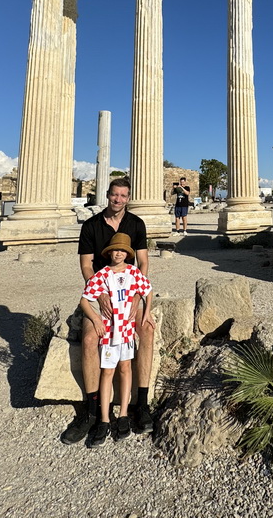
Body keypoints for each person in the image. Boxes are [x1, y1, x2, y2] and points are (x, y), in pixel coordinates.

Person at [60, 177, 156, 445]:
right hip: (100, 293)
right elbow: (86, 265)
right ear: (108, 195)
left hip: (129, 292)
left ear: (128, 197)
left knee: (146, 330)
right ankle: (92, 413)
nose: (118, 200)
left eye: (123, 196)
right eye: (115, 195)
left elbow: (143, 261)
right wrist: (100, 294)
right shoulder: (91, 226)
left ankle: (142, 405)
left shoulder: (136, 224)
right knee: (91, 339)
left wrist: (138, 296)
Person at [80, 232, 152, 447]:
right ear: (109, 252)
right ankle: (103, 418)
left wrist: (146, 313)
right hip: (110, 332)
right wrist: (95, 319)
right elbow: (85, 300)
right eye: (116, 249)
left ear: (128, 254)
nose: (119, 253)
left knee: (125, 368)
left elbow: (148, 291)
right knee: (107, 371)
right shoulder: (101, 275)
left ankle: (123, 415)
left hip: (127, 332)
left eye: (123, 250)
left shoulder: (134, 273)